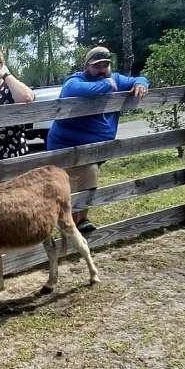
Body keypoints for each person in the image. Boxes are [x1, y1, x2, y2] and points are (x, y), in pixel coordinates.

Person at [47, 46, 149, 235]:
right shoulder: (76, 79)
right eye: (97, 66)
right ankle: (77, 221)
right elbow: (75, 89)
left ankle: (77, 222)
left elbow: (138, 79)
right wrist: (107, 85)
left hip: (96, 148)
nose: (102, 70)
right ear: (86, 67)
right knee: (72, 182)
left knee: (86, 178)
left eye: (105, 66)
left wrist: (142, 83)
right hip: (66, 145)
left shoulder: (116, 78)